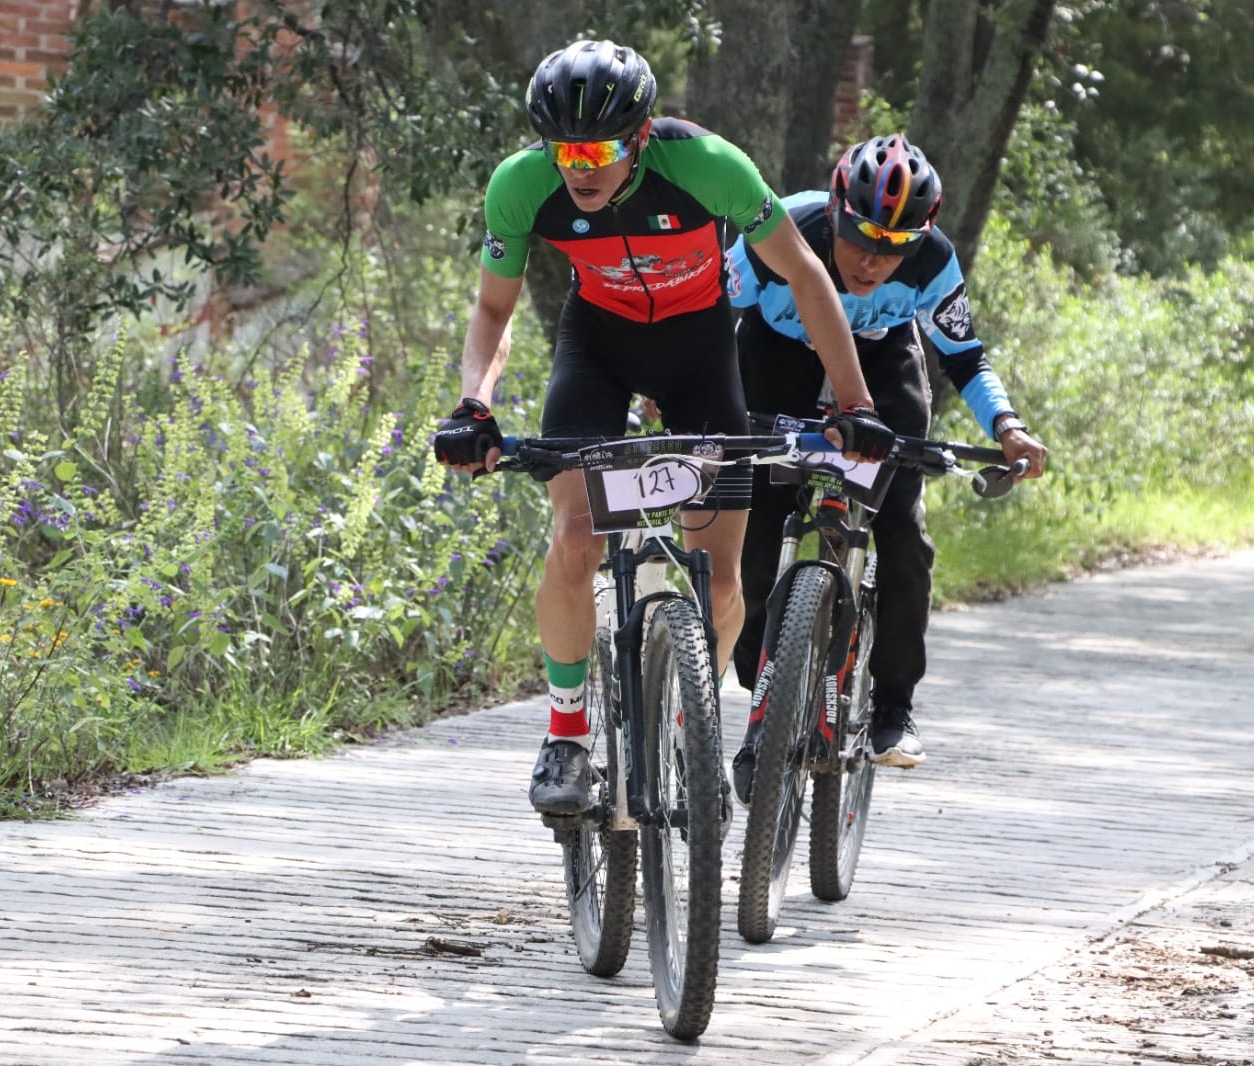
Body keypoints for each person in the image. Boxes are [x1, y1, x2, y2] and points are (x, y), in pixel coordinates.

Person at [432, 39, 894, 816]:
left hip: (699, 351)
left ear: (641, 137)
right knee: (576, 540)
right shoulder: (520, 186)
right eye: (564, 148)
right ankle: (568, 734)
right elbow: (492, 309)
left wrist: (856, 404)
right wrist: (474, 406)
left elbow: (806, 275)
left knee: (719, 581)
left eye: (598, 149)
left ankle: (689, 722)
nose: (579, 167)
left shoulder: (710, 166)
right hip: (598, 349)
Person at [725, 133, 1049, 804]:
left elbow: (964, 358)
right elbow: (709, 321)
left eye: (893, 247)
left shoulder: (931, 260)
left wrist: (1008, 427)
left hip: (880, 362)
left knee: (903, 534)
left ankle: (893, 707)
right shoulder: (780, 228)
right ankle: (769, 697)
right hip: (776, 358)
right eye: (862, 239)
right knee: (751, 534)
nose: (874, 262)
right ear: (836, 214)